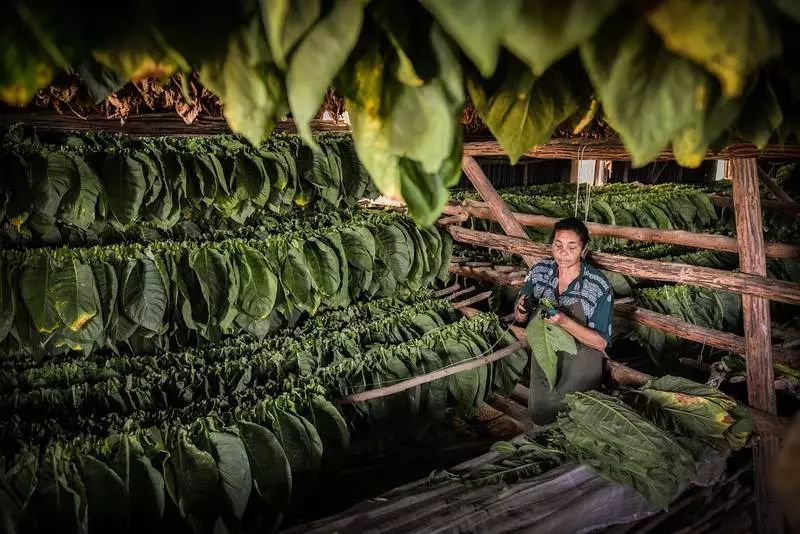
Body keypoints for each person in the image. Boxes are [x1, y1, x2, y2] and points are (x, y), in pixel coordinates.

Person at [513, 217, 614, 424]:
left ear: (583, 249)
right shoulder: (539, 272)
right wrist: (522, 309)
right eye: (557, 245)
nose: (563, 252)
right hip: (545, 362)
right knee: (541, 417)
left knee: (576, 423)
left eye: (571, 246)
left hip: (580, 370)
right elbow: (519, 317)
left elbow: (600, 342)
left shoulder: (597, 285)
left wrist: (564, 322)